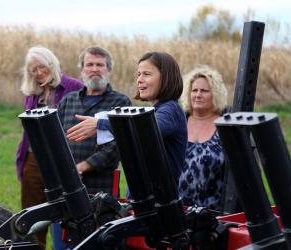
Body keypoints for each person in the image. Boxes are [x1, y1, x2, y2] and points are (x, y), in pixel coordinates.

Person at [66, 51, 187, 186]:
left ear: (166, 77)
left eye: (146, 74)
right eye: (138, 74)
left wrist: (101, 124)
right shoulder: (156, 110)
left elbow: (147, 131)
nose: (139, 80)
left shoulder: (170, 110)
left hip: (159, 202)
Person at [15, 46, 83, 249]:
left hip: (60, 158)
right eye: (33, 70)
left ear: (51, 64)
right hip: (33, 158)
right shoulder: (33, 93)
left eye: (42, 67)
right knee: (32, 212)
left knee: (63, 211)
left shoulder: (74, 87)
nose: (39, 72)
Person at [58, 46, 132, 194]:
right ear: (82, 69)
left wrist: (82, 167)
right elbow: (57, 139)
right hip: (67, 184)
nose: (94, 69)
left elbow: (118, 145)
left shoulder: (120, 103)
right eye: (89, 65)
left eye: (100, 65)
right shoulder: (68, 101)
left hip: (102, 185)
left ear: (108, 69)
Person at [178, 65, 228, 210]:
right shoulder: (179, 123)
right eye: (194, 90)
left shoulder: (226, 127)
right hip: (176, 213)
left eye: (204, 91)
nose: (198, 95)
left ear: (216, 94)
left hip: (212, 216)